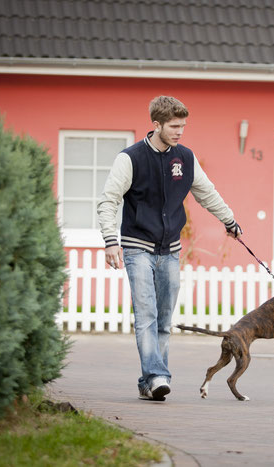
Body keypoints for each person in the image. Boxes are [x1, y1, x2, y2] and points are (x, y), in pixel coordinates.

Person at [97, 96, 242, 402]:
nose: (180, 131)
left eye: (183, 126)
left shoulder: (185, 159)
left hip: (170, 250)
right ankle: (157, 376)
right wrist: (111, 241)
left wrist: (229, 220)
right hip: (137, 248)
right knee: (147, 315)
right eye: (174, 126)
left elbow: (207, 193)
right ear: (157, 124)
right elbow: (109, 201)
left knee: (164, 319)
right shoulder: (130, 158)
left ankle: (150, 382)